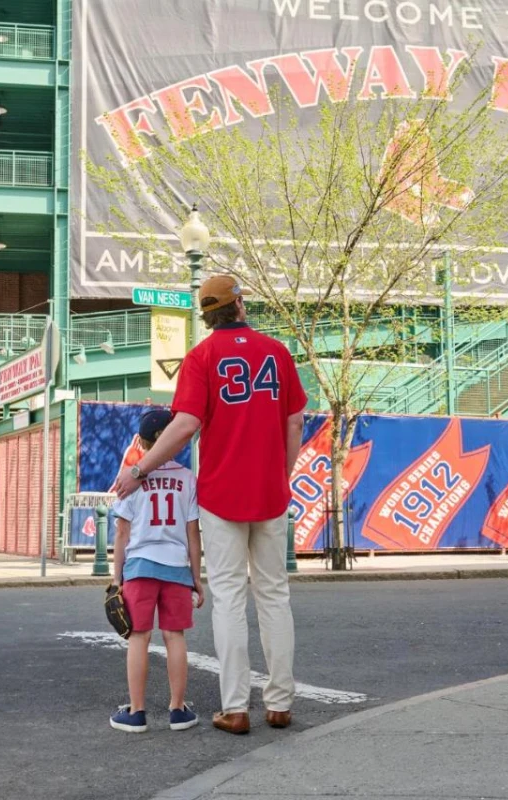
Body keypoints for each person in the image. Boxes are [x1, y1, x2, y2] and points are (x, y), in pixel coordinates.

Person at [114, 275, 306, 735]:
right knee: (274, 595)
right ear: (239, 305)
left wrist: (140, 470)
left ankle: (235, 707)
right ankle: (279, 703)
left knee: (229, 601)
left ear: (206, 313)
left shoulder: (201, 357)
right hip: (270, 491)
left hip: (221, 494)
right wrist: (283, 473)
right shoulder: (276, 352)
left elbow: (183, 426)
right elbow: (295, 419)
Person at [109, 408, 205, 734]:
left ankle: (136, 712)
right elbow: (193, 533)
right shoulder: (187, 478)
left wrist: (116, 577)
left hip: (139, 566)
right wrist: (197, 578)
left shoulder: (132, 477)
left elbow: (122, 533)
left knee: (139, 636)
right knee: (174, 636)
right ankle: (178, 710)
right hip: (177, 566)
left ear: (142, 441)